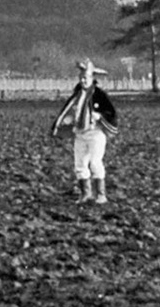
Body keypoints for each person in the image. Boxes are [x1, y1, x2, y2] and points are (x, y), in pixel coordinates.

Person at [51, 59, 120, 203]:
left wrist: (100, 116)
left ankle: (101, 194)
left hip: (95, 134)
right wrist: (67, 121)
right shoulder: (77, 94)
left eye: (86, 78)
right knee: (80, 165)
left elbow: (111, 112)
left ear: (92, 78)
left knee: (95, 162)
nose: (83, 80)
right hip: (80, 134)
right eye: (81, 78)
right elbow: (70, 110)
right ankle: (85, 194)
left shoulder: (99, 94)